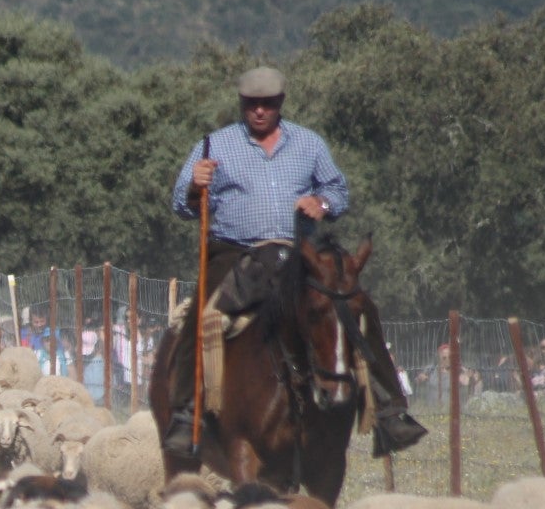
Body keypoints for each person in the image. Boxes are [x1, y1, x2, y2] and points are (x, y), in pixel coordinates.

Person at [168, 65, 425, 456]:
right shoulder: (212, 146)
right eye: (251, 104)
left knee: (357, 305)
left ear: (281, 103)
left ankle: (390, 411)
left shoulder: (309, 144)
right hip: (238, 252)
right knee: (201, 316)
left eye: (267, 104)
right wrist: (193, 186)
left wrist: (320, 203)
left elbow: (338, 191)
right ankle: (188, 414)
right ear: (241, 104)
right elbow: (180, 206)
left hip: (300, 252)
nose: (259, 111)